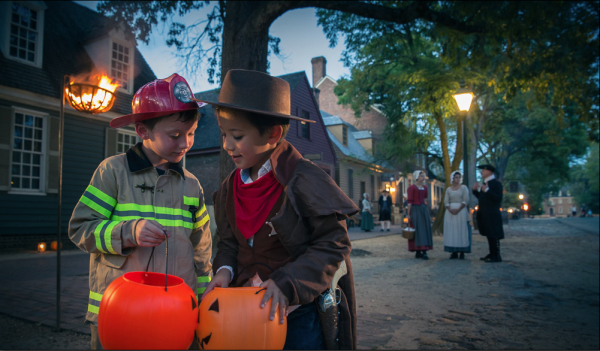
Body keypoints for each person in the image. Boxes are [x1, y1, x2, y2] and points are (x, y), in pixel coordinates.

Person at [199, 70, 359, 350]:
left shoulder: (304, 179)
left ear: (273, 134)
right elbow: (228, 242)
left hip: (297, 317)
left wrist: (288, 283)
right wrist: (224, 269)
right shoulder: (228, 187)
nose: (227, 146)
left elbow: (334, 245)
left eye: (236, 136)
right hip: (242, 312)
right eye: (224, 134)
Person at [67, 74, 213, 349]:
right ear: (143, 131)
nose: (185, 144)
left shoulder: (192, 185)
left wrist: (204, 300)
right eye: (175, 135)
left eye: (191, 133)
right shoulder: (112, 172)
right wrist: (128, 232)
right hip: (120, 313)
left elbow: (202, 251)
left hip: (178, 315)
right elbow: (80, 229)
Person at [472, 164, 504, 263]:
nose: (481, 172)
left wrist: (487, 190)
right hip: (485, 213)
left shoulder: (496, 184)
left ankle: (496, 255)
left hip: (492, 213)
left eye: (483, 171)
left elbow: (498, 198)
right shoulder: (485, 183)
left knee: (493, 234)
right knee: (489, 234)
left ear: (490, 172)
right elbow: (483, 199)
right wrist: (475, 191)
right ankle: (491, 253)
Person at [443, 171, 471, 259]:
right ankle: (453, 251)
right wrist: (450, 209)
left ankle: (462, 251)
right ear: (452, 178)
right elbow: (446, 201)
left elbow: (465, 199)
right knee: (452, 231)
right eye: (456, 177)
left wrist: (458, 209)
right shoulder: (448, 189)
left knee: (461, 230)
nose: (457, 179)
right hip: (450, 212)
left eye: (459, 177)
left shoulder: (463, 188)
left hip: (461, 211)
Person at [406, 170, 433, 259]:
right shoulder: (411, 188)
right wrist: (409, 214)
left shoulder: (425, 187)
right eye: (421, 176)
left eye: (423, 176)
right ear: (417, 177)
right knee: (417, 229)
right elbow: (409, 202)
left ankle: (424, 250)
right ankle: (418, 250)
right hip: (415, 209)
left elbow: (425, 199)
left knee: (424, 229)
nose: (423, 177)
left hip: (423, 210)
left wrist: (425, 209)